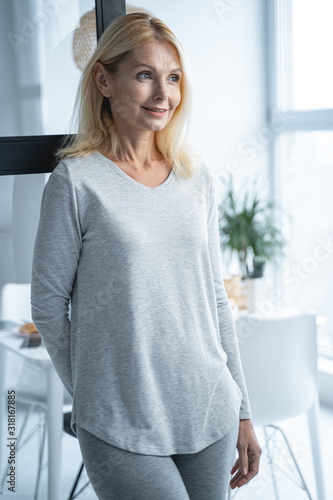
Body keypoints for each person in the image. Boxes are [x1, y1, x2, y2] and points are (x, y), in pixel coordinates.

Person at [31, 12, 261, 500]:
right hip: (120, 423)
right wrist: (93, 394)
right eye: (145, 75)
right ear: (104, 80)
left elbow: (215, 301)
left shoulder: (195, 178)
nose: (164, 94)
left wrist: (241, 408)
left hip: (209, 408)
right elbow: (49, 306)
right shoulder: (75, 183)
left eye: (173, 78)